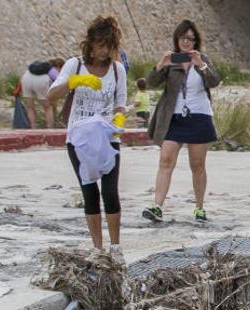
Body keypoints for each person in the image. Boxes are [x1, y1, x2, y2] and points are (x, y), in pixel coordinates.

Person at [47, 16, 127, 258]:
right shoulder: (75, 64)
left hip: (107, 138)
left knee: (110, 192)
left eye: (108, 46)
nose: (104, 51)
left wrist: (119, 121)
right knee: (89, 192)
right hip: (79, 139)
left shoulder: (117, 69)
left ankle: (115, 246)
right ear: (90, 43)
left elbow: (120, 103)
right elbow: (51, 95)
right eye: (100, 45)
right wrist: (75, 81)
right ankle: (97, 248)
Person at [144, 19, 221, 223]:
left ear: (196, 41)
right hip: (174, 117)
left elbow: (214, 81)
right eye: (183, 38)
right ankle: (157, 206)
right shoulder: (171, 60)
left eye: (191, 38)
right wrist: (161, 65)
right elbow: (150, 83)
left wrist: (201, 65)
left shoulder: (202, 59)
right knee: (166, 159)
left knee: (197, 164)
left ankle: (199, 207)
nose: (186, 42)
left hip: (199, 116)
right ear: (176, 39)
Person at [21, 57, 65, 128]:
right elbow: (59, 82)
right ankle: (49, 130)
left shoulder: (39, 66)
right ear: (59, 66)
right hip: (41, 81)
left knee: (30, 107)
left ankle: (33, 129)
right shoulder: (53, 70)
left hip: (26, 78)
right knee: (47, 107)